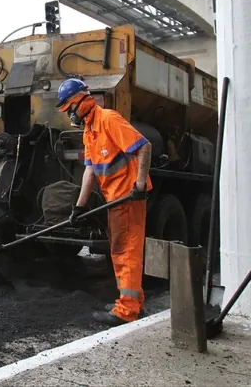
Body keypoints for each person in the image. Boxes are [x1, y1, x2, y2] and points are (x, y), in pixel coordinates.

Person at [56, 78, 152, 327]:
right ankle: (132, 301)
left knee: (126, 252)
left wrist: (139, 186)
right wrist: (79, 206)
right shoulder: (89, 132)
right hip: (115, 201)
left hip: (128, 199)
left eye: (70, 109)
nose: (70, 116)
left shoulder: (109, 119)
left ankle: (127, 310)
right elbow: (90, 172)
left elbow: (144, 147)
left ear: (81, 102)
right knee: (119, 250)